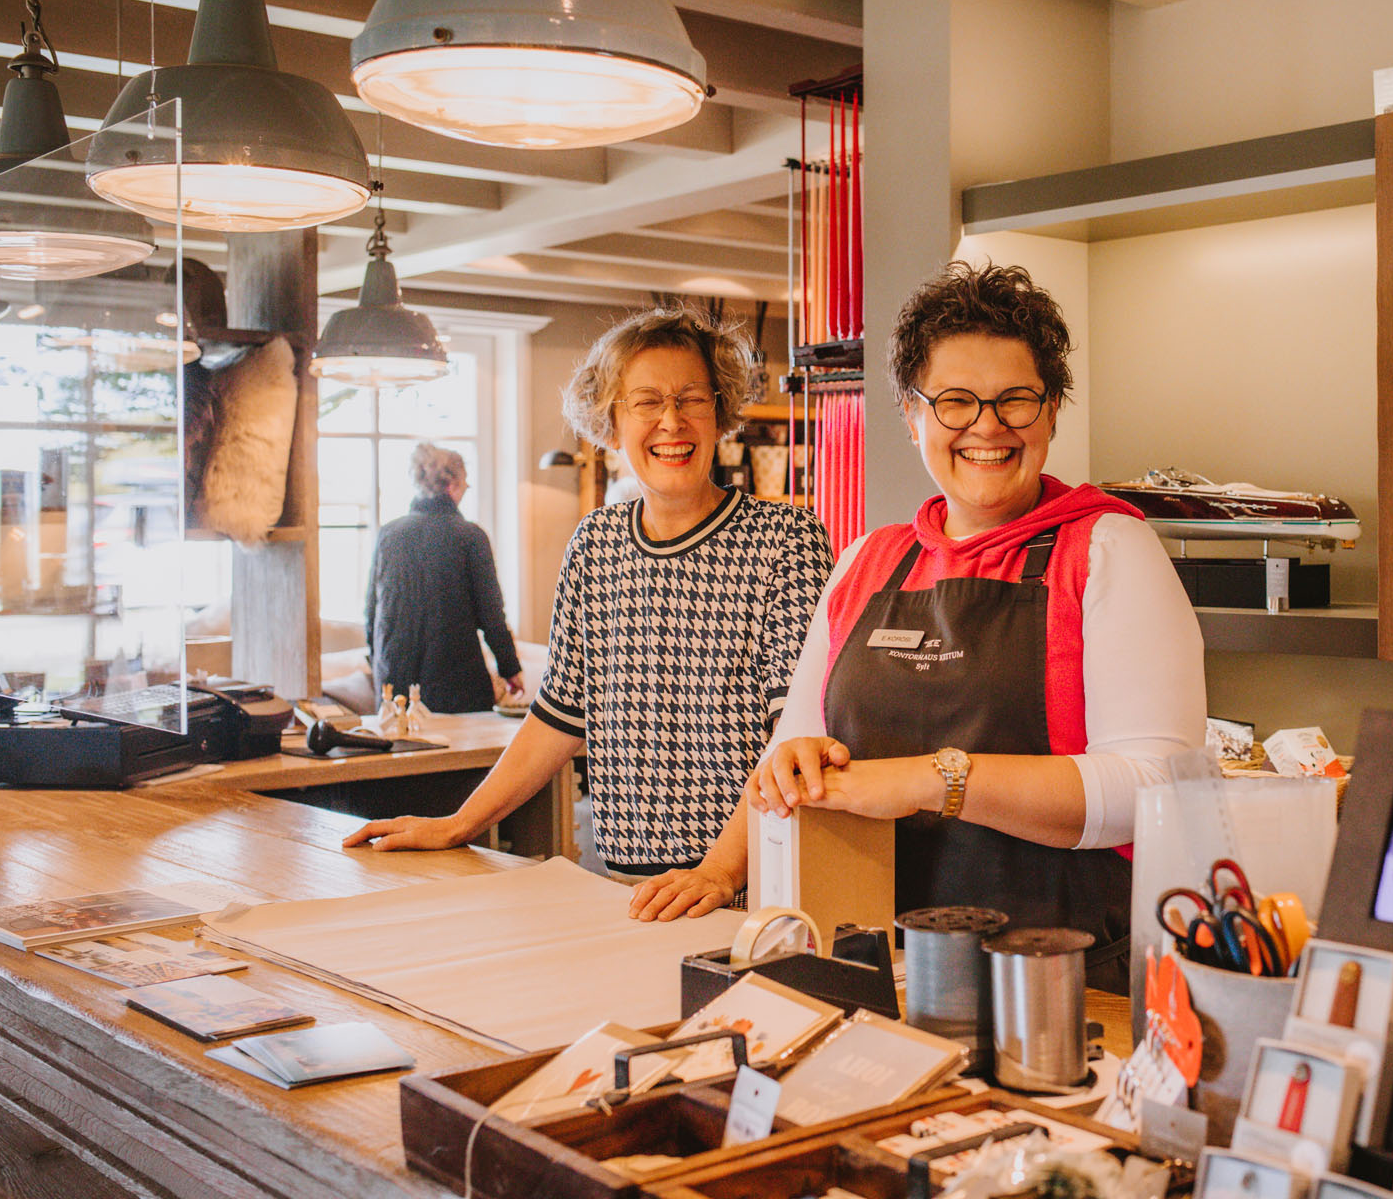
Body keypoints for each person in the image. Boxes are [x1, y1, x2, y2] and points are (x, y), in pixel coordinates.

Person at [636, 262, 1205, 989]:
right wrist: (722, 869)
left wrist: (931, 780)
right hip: (881, 968)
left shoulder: (1106, 550)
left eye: (1016, 400)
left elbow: (1153, 790)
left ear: (1054, 410)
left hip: (1059, 984)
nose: (987, 427)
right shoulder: (869, 562)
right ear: (912, 417)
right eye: (956, 402)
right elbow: (791, 749)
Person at [342, 307, 833, 899]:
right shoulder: (595, 543)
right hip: (628, 883)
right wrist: (457, 825)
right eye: (647, 402)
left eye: (691, 399)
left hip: (757, 881)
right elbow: (559, 714)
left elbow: (795, 735)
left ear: (720, 408)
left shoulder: (786, 539)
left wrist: (721, 871)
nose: (671, 422)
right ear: (611, 419)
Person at [364, 443, 523, 714]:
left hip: (396, 682)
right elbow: (491, 613)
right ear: (453, 485)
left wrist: (379, 661)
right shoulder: (470, 537)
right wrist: (510, 668)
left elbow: (372, 612)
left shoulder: (389, 534)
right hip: (457, 684)